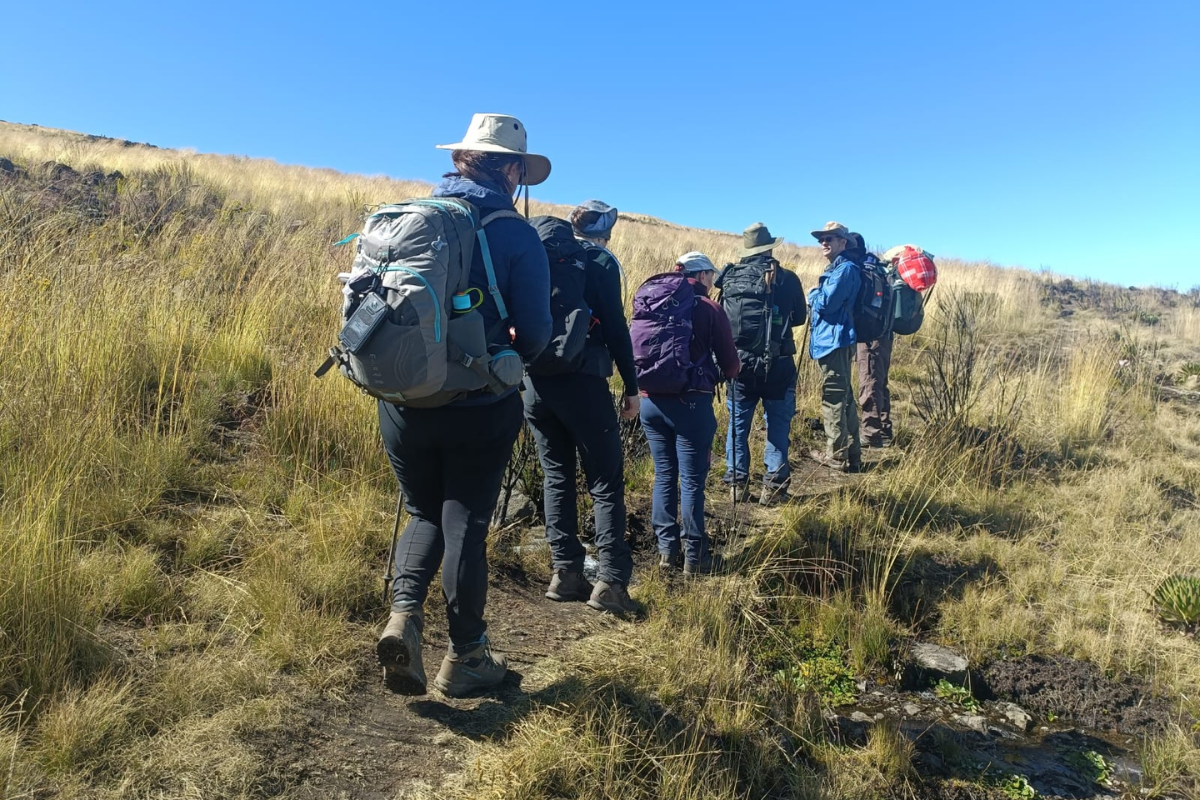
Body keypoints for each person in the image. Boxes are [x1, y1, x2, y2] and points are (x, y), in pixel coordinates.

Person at [376, 113, 552, 698]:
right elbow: (536, 333)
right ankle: (467, 657)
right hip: (479, 403)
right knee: (466, 524)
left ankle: (403, 616)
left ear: (459, 160)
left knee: (423, 511)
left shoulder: (409, 219)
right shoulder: (515, 234)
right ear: (511, 171)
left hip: (402, 399)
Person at [523, 211, 640, 617]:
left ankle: (566, 573)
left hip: (535, 383)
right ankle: (611, 581)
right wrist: (631, 386)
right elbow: (616, 328)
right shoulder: (599, 262)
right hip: (584, 381)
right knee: (605, 481)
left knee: (557, 476)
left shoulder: (530, 258)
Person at [637, 252, 740, 575]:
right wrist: (717, 374)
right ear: (703, 275)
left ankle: (666, 552)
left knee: (664, 475)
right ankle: (695, 558)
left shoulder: (653, 301)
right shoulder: (709, 308)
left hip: (650, 401)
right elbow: (731, 366)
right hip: (691, 404)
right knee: (692, 481)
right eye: (711, 274)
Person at [717, 223, 806, 505]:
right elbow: (800, 318)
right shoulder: (787, 278)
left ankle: (736, 484)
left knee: (737, 425)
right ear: (769, 249)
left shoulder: (730, 277)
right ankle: (774, 488)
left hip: (738, 365)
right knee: (777, 427)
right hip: (778, 365)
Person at [807, 222, 862, 472]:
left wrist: (812, 294)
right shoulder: (838, 268)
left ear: (843, 242)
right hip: (833, 340)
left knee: (833, 398)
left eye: (830, 238)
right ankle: (853, 453)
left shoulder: (845, 270)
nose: (824, 242)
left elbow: (826, 303)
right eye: (822, 239)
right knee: (844, 396)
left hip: (835, 341)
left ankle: (837, 455)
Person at [847, 232, 894, 448]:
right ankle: (883, 427)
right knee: (879, 380)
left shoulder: (860, 270)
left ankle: (871, 433)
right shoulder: (877, 268)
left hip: (868, 336)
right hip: (884, 332)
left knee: (869, 382)